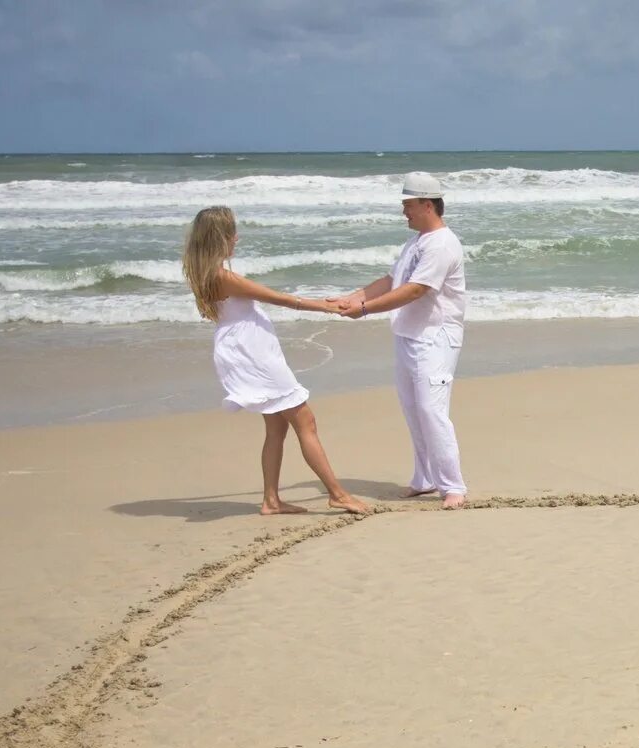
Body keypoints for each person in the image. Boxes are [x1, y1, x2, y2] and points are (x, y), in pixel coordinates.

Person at [181, 206, 370, 516]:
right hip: (253, 354)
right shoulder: (223, 276)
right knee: (304, 420)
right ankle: (337, 494)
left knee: (277, 427)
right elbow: (281, 299)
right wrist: (325, 306)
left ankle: (271, 500)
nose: (237, 238)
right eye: (232, 233)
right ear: (220, 239)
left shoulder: (205, 273)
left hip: (245, 349)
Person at [329, 172, 468, 508]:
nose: (404, 211)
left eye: (408, 205)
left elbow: (416, 289)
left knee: (431, 411)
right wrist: (353, 297)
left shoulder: (442, 244)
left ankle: (454, 487)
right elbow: (394, 280)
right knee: (413, 411)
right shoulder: (416, 242)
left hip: (435, 338)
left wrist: (364, 309)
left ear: (427, 204)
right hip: (409, 335)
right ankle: (424, 479)